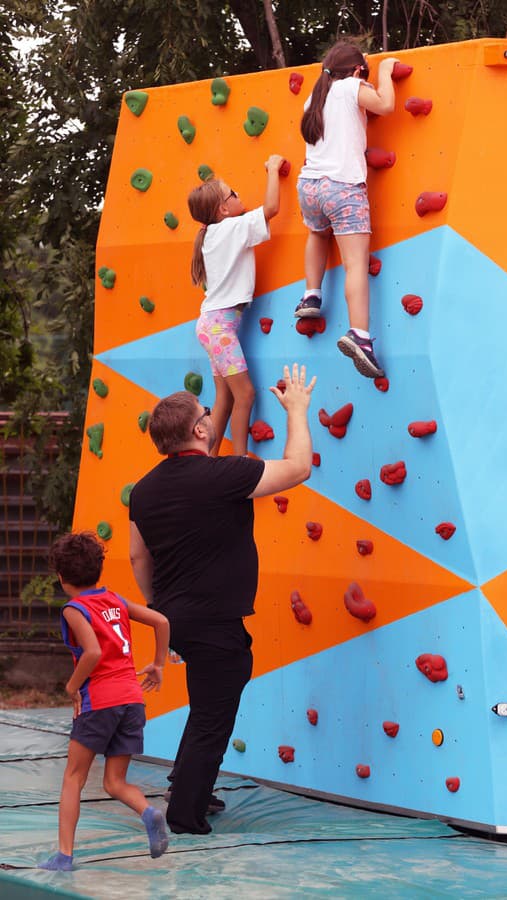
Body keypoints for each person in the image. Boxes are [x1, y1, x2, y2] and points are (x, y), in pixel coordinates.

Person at [129, 363, 316, 836]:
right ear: (198, 428)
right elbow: (297, 468)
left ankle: (189, 788)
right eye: (207, 411)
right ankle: (185, 815)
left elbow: (137, 556)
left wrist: (161, 616)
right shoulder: (224, 474)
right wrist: (296, 410)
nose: (213, 415)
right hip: (214, 621)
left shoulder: (145, 490)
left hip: (177, 616)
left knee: (206, 704)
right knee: (214, 716)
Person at [38, 531, 170, 871]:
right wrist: (158, 664)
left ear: (62, 577)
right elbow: (161, 620)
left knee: (73, 777)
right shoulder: (115, 600)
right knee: (114, 781)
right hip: (131, 700)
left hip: (100, 700)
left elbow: (93, 652)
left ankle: (64, 855)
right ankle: (149, 812)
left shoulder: (74, 609)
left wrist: (71, 686)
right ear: (98, 571)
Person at [295, 40, 399, 380]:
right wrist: (383, 71)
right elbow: (385, 105)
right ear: (356, 71)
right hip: (343, 187)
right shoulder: (352, 87)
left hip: (309, 186)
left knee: (317, 233)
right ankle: (360, 335)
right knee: (355, 263)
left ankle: (311, 294)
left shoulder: (316, 97)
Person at [188, 155, 285, 456]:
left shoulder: (213, 234)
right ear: (223, 209)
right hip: (219, 326)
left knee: (224, 399)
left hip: (213, 325)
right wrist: (272, 170)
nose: (239, 196)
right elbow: (271, 209)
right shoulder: (232, 229)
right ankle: (240, 459)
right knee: (245, 395)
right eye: (234, 194)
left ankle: (208, 460)